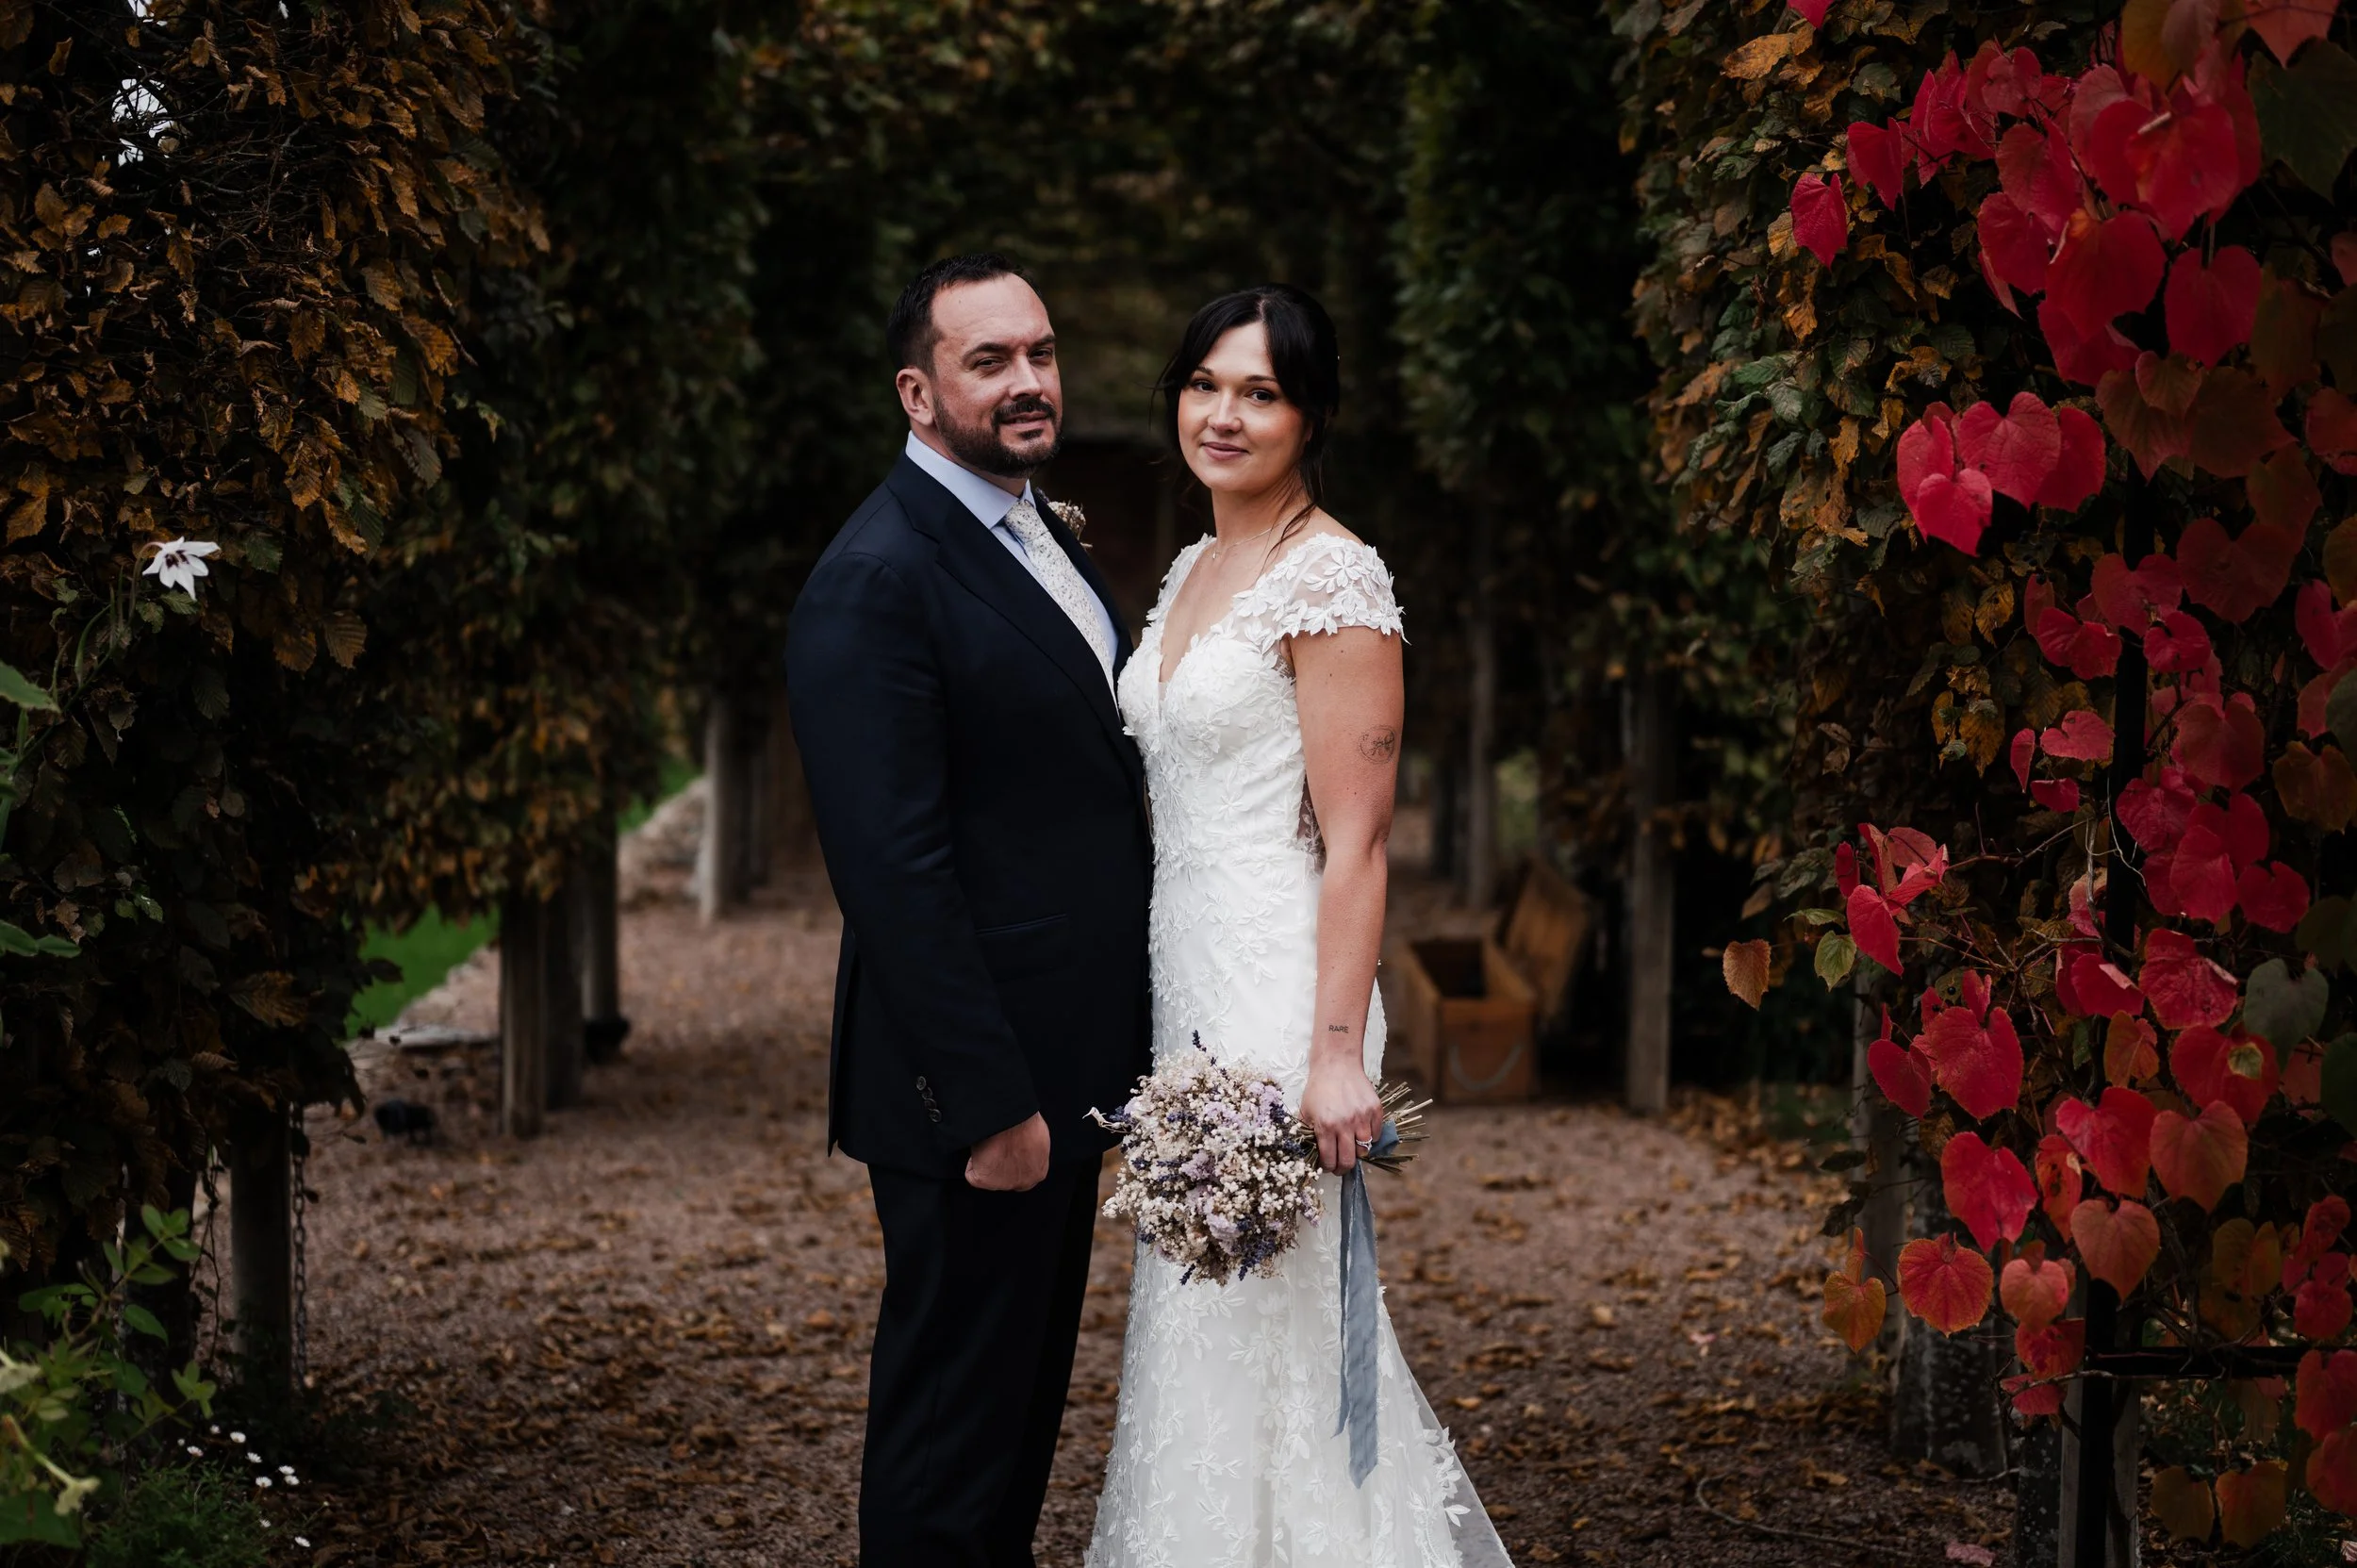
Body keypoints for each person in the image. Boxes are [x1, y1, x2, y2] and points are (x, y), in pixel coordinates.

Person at [1085, 285, 1513, 1567]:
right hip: (1187, 977)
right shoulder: (1194, 569)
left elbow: (1360, 839)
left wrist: (1335, 1051)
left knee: (1278, 1328)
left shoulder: (1332, 577)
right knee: (1199, 1314)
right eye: (1207, 382)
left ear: (1311, 415)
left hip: (1279, 991)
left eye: (1260, 391)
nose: (1224, 413)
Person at [786, 253, 1151, 1568]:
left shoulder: (1029, 524)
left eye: (1040, 352)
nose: (1028, 381)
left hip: (1064, 1072)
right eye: (989, 360)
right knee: (950, 1438)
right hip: (980, 1093)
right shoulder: (877, 575)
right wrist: (992, 1101)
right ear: (918, 388)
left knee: (1010, 1427)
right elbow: (896, 870)